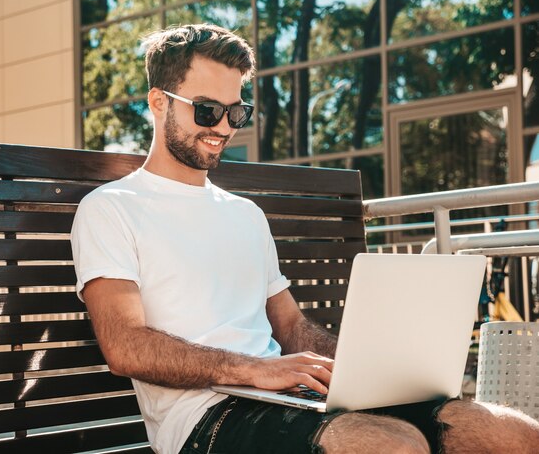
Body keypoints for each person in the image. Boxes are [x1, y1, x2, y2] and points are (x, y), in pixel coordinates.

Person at [70, 24, 539, 454]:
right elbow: (125, 346)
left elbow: (291, 327)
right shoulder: (112, 208)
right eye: (208, 110)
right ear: (158, 101)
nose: (223, 128)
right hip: (201, 417)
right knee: (393, 447)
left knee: (508, 432)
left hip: (289, 395)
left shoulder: (245, 215)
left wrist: (372, 367)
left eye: (236, 112)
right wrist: (255, 369)